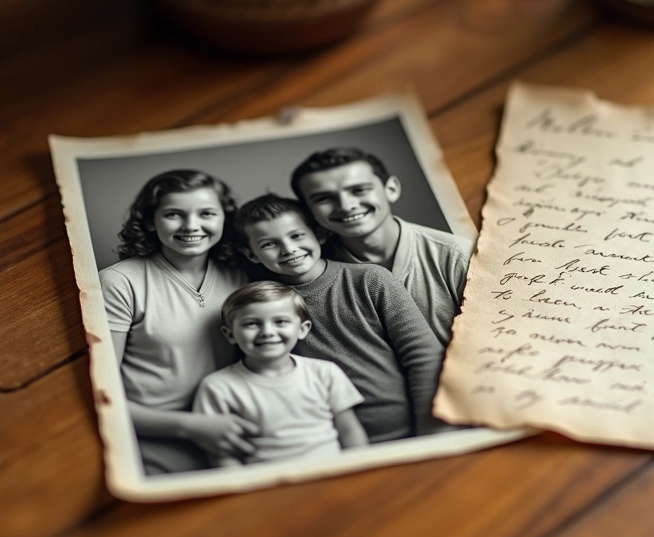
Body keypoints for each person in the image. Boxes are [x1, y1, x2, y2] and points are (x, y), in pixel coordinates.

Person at [233, 194, 448, 442]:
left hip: (409, 430)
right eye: (269, 244)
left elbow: (424, 356)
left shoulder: (370, 279)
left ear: (319, 234)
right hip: (324, 442)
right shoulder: (259, 306)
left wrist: (429, 430)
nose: (288, 249)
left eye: (297, 235)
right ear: (251, 254)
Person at [99, 169, 256, 474]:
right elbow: (102, 392)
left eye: (207, 213)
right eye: (174, 214)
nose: (191, 226)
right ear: (149, 220)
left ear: (224, 218)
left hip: (232, 429)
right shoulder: (119, 282)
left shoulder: (241, 275)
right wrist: (192, 426)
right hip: (154, 437)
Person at [290, 148, 474, 346]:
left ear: (391, 189)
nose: (345, 205)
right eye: (324, 198)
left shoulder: (459, 256)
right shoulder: (310, 275)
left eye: (359, 190)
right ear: (308, 210)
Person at [192, 281, 368, 466]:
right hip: (264, 488)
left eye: (280, 322)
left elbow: (349, 431)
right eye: (252, 324)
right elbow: (222, 455)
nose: (267, 332)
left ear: (302, 329)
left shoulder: (325, 373)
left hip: (332, 479)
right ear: (230, 335)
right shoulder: (218, 387)